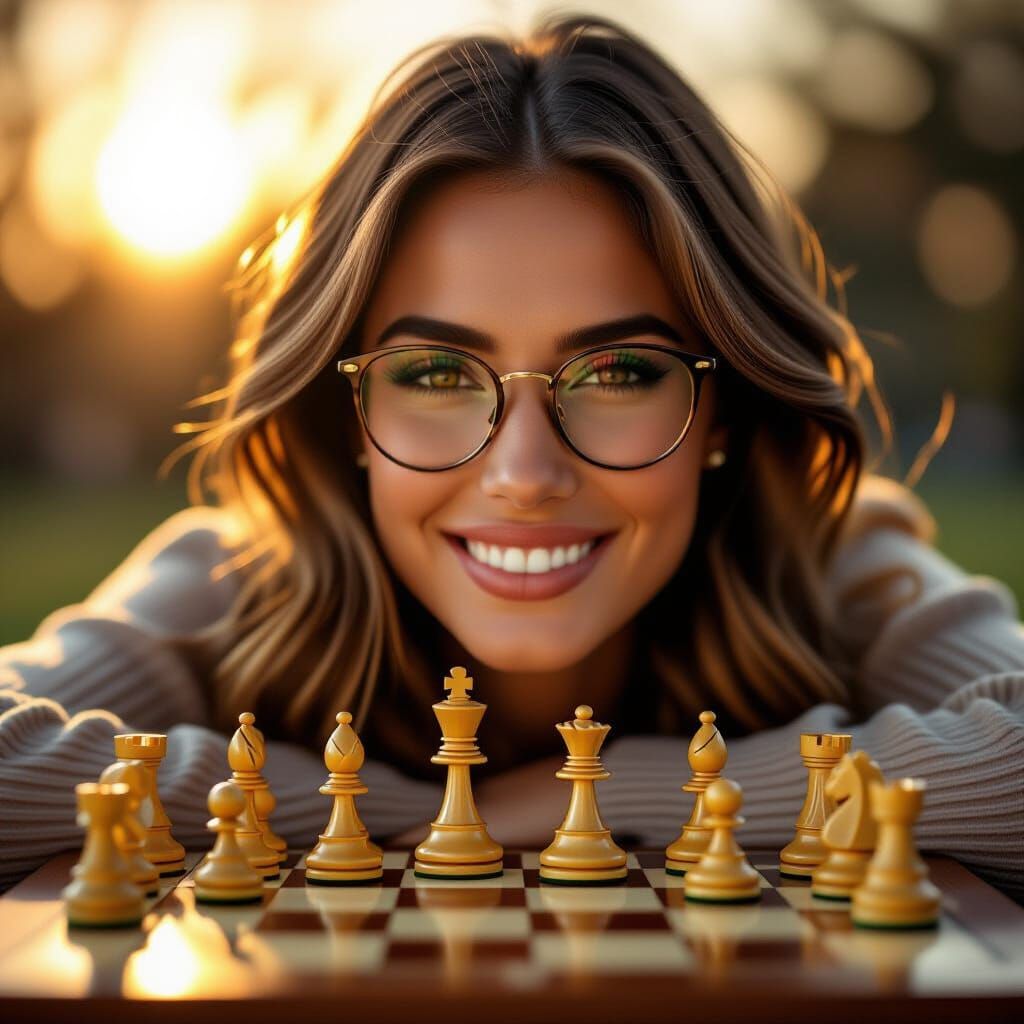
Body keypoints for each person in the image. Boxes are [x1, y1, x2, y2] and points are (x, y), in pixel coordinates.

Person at [1, 14, 1022, 900]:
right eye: (438, 374)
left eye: (619, 371)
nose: (525, 473)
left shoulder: (837, 561)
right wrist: (393, 805)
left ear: (723, 410)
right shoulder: (232, 577)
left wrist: (609, 791)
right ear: (346, 411)